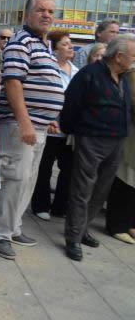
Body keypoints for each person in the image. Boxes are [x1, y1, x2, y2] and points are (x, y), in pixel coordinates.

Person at [0, 0, 64, 260]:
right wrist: (25, 123)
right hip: (20, 126)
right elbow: (13, 83)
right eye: (41, 10)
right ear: (27, 15)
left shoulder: (42, 45)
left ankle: (14, 227)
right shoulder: (21, 43)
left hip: (38, 126)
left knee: (28, 181)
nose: (47, 15)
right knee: (16, 179)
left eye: (51, 11)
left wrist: (49, 115)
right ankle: (0, 233)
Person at [60, 34, 134, 261]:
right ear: (119, 56)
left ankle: (82, 230)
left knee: (100, 192)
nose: (134, 60)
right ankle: (73, 237)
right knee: (82, 190)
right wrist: (73, 131)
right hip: (91, 139)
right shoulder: (90, 74)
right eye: (132, 55)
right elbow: (71, 105)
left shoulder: (122, 77)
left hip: (116, 140)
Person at [30, 31, 78, 221]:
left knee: (68, 170)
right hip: (50, 128)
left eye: (70, 43)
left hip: (69, 131)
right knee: (44, 169)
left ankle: (60, 206)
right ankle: (40, 205)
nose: (70, 47)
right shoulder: (48, 69)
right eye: (65, 44)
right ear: (55, 48)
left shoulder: (76, 71)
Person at [106, 67, 135, 244]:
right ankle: (118, 225)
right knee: (126, 179)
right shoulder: (132, 73)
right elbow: (131, 102)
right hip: (131, 135)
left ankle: (130, 223)